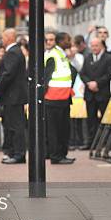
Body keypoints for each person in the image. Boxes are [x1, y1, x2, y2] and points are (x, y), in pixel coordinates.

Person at [0, 29, 28, 164]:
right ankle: (12, 152)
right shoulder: (16, 51)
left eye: (3, 37)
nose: (2, 39)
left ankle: (18, 154)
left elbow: (8, 75)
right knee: (10, 125)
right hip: (12, 96)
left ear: (9, 37)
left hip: (13, 97)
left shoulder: (13, 52)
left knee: (16, 126)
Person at [44, 32, 77, 164]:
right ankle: (56, 156)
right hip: (53, 98)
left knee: (63, 129)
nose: (70, 41)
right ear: (61, 41)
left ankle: (61, 154)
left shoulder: (62, 54)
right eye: (68, 39)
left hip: (63, 97)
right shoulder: (54, 55)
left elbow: (71, 72)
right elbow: (46, 78)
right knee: (55, 130)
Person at [79, 37, 111, 149]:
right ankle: (91, 142)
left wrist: (97, 84)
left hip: (102, 93)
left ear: (101, 46)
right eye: (92, 45)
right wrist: (89, 83)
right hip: (90, 94)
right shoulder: (87, 57)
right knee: (91, 119)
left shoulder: (109, 58)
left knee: (105, 119)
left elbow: (109, 74)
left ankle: (106, 143)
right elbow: (82, 73)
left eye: (96, 45)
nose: (94, 48)